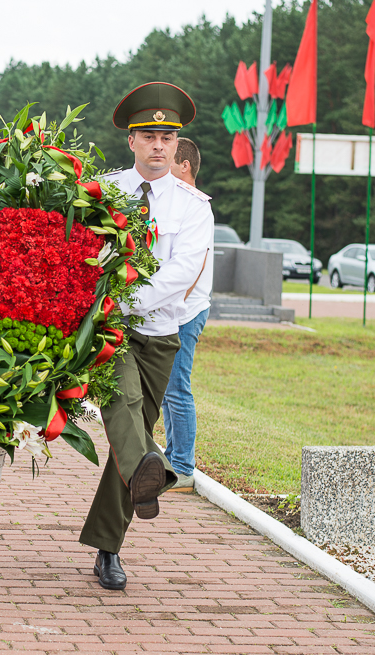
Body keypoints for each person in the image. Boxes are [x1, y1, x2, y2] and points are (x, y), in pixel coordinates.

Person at [81, 83, 215, 590]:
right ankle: (146, 473)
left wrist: (124, 299)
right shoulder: (101, 191)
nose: (160, 146)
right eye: (150, 136)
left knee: (133, 437)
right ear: (131, 141)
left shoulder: (193, 206)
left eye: (168, 137)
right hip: (107, 330)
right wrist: (107, 308)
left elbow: (183, 271)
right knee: (125, 406)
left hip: (159, 334)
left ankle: (107, 547)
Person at [163, 137, 212, 491]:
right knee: (168, 389)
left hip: (185, 310)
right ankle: (171, 456)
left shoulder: (197, 207)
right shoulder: (175, 203)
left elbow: (192, 270)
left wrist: (173, 309)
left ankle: (183, 466)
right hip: (175, 309)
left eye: (170, 158)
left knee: (177, 387)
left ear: (184, 166)